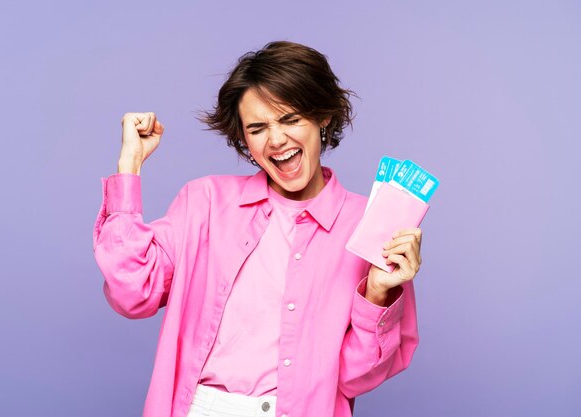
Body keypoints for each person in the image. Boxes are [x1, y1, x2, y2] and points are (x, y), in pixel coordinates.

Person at [93, 41, 421, 417]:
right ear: (244, 139)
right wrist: (129, 165)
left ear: (323, 117)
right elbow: (132, 292)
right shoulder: (205, 202)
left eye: (290, 119)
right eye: (258, 127)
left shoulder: (371, 224)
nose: (276, 140)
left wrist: (378, 293)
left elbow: (354, 379)